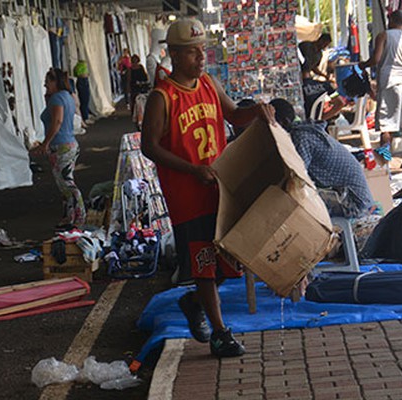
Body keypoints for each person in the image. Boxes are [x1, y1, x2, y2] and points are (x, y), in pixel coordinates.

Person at [141, 18, 275, 358]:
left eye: (202, 51)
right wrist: (190, 169)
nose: (200, 58)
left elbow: (233, 115)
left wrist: (257, 112)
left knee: (229, 262)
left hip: (220, 188)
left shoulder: (209, 84)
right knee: (204, 263)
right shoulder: (162, 97)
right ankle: (219, 333)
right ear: (173, 54)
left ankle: (195, 301)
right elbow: (149, 146)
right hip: (188, 195)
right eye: (191, 53)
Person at [269, 98, 375, 218]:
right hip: (357, 199)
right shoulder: (306, 130)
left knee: (295, 200)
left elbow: (298, 177)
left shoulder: (301, 137)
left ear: (284, 122)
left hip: (354, 204)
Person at [359, 10, 402, 168]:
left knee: (386, 126)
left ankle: (385, 161)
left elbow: (376, 59)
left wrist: (363, 65)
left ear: (390, 20)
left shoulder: (384, 35)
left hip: (389, 82)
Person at [31, 68, 86, 228]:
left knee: (66, 183)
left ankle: (79, 214)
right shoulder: (66, 96)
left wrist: (45, 143)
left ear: (55, 82)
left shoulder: (57, 98)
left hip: (61, 145)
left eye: (47, 81)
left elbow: (57, 122)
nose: (45, 84)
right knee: (65, 183)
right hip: (68, 143)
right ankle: (70, 216)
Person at [73, 59, 93, 125]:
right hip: (83, 81)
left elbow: (76, 74)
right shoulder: (83, 66)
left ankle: (85, 115)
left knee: (83, 99)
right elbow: (82, 73)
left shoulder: (76, 67)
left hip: (80, 81)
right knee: (85, 99)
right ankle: (85, 117)